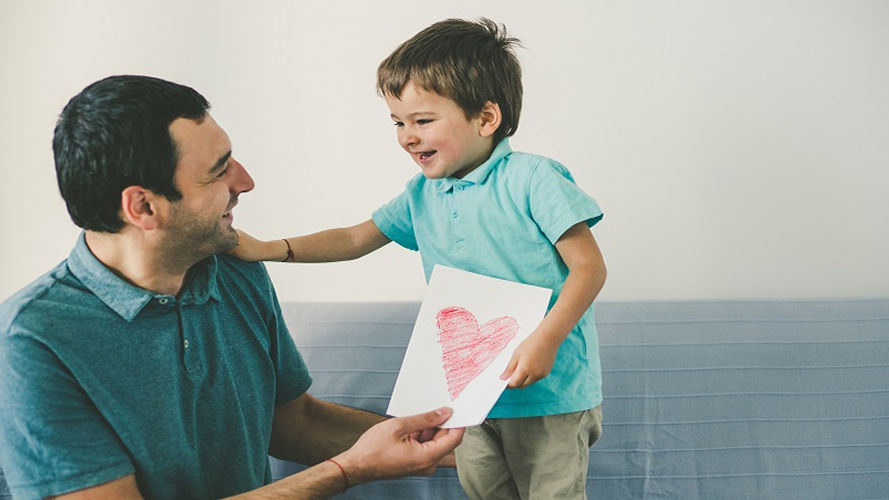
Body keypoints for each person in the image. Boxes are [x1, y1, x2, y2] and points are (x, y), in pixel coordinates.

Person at [0, 75, 464, 500]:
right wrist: (346, 470)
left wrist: (446, 445)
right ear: (142, 206)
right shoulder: (32, 341)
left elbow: (293, 423)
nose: (245, 181)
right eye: (218, 171)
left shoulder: (234, 268)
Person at [233, 18, 607, 500]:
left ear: (486, 119)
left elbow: (589, 268)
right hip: (469, 395)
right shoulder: (421, 194)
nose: (407, 136)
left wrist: (546, 339)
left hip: (552, 394)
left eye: (423, 120)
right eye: (398, 122)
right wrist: (270, 249)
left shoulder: (533, 179)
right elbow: (353, 238)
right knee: (484, 491)